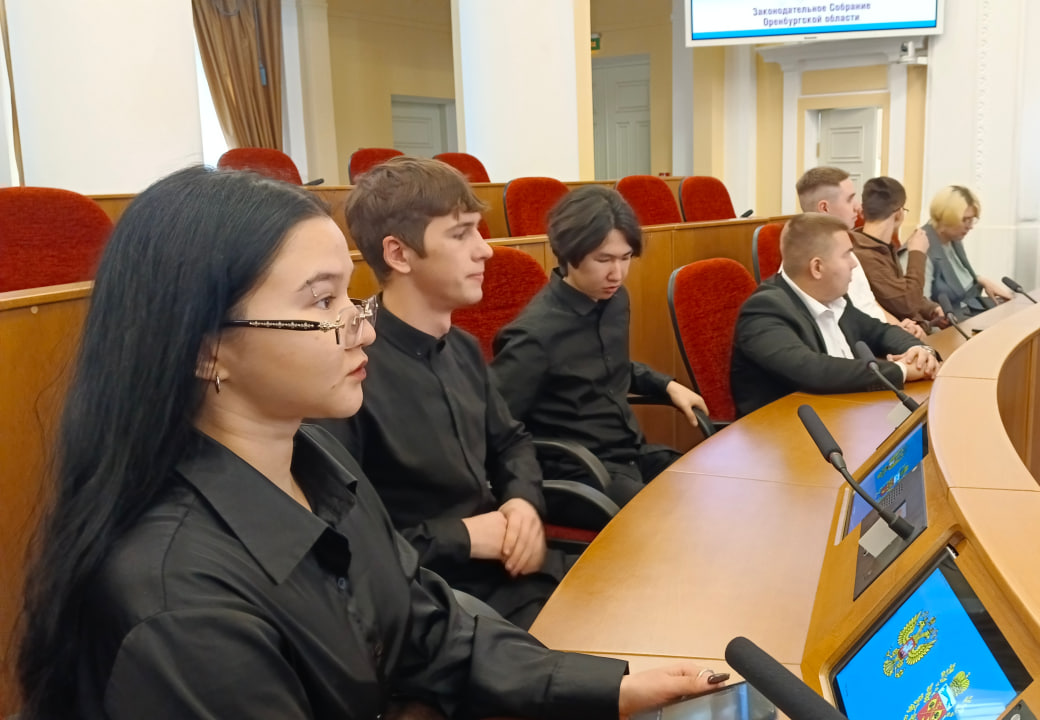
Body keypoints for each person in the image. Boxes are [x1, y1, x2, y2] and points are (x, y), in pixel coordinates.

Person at [16, 166, 724, 719]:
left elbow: (428, 628)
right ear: (207, 349)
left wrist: (613, 684)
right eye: (322, 303)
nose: (361, 327)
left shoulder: (316, 461)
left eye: (348, 297)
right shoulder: (180, 603)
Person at [316, 157, 564, 630]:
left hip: (513, 578)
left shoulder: (464, 347)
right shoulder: (349, 374)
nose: (485, 250)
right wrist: (463, 537)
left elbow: (510, 442)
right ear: (399, 254)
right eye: (461, 234)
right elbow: (350, 544)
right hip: (436, 607)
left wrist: (522, 501)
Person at [491, 186, 707, 507]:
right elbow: (497, 425)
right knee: (669, 515)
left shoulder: (616, 300)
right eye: (603, 259)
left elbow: (608, 364)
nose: (616, 274)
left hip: (629, 454)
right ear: (569, 254)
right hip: (578, 472)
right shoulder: (532, 335)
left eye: (625, 258)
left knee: (713, 484)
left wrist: (667, 385)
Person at [731, 212, 940, 417]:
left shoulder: (833, 297)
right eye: (847, 254)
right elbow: (813, 370)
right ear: (817, 267)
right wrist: (901, 370)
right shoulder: (764, 311)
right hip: (787, 429)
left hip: (844, 411)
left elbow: (881, 331)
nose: (854, 263)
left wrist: (920, 352)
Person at [795, 166, 928, 339]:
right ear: (825, 208)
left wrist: (899, 327)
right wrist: (896, 336)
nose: (858, 207)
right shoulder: (813, 262)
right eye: (850, 199)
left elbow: (870, 304)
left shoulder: (848, 252)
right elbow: (848, 327)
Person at [848, 176, 948, 328]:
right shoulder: (865, 254)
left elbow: (898, 291)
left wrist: (930, 308)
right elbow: (907, 305)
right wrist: (917, 253)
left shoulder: (880, 246)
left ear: (863, 211)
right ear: (899, 213)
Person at [919, 185, 1013, 317]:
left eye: (972, 220)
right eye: (965, 220)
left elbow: (958, 275)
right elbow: (921, 306)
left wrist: (981, 280)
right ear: (946, 218)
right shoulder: (921, 248)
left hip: (970, 309)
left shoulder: (952, 239)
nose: (970, 227)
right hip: (952, 322)